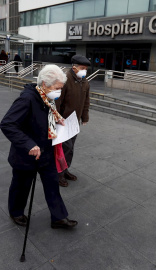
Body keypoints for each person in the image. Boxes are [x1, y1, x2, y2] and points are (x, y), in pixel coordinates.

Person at [0, 64, 78, 229]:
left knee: (52, 184)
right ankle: (16, 212)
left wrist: (57, 119)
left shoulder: (47, 97)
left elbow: (46, 114)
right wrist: (29, 144)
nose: (59, 92)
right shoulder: (27, 99)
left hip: (47, 151)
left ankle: (58, 217)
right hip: (27, 154)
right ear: (45, 84)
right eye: (57, 88)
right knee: (21, 186)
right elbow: (7, 124)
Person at [56, 55, 91, 187]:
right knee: (64, 148)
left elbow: (86, 101)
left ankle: (65, 170)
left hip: (74, 122)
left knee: (70, 149)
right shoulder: (64, 80)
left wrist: (85, 117)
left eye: (86, 69)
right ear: (74, 67)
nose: (84, 71)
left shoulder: (84, 81)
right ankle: (58, 174)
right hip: (63, 121)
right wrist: (57, 118)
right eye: (82, 68)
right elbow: (57, 101)